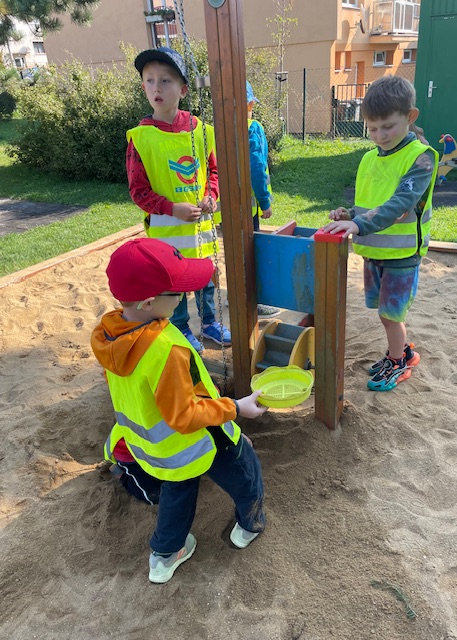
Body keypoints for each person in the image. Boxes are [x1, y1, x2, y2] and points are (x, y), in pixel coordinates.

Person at [91, 238, 267, 584]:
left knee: (178, 492)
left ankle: (165, 555)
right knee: (245, 470)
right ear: (149, 302)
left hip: (157, 449)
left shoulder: (110, 333)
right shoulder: (164, 349)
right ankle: (250, 524)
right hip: (198, 437)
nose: (184, 296)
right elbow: (184, 416)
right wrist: (236, 408)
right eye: (178, 293)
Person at [323, 75, 438, 392]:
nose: (380, 135)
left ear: (410, 116)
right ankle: (403, 352)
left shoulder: (421, 157)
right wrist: (349, 214)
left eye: (387, 126)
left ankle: (398, 361)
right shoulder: (370, 157)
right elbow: (371, 203)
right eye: (372, 128)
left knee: (391, 314)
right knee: (385, 312)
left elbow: (401, 203)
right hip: (375, 251)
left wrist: (358, 225)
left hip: (402, 254)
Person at [126, 46, 231, 354]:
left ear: (183, 89)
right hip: (167, 232)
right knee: (173, 282)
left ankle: (209, 322)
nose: (156, 88)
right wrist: (172, 209)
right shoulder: (141, 138)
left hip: (201, 228)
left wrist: (211, 196)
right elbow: (139, 191)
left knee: (207, 274)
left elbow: (214, 171)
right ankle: (181, 326)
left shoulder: (202, 131)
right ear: (143, 87)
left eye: (166, 80)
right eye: (149, 80)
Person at [246, 80, 281, 319]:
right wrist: (264, 201)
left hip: (226, 209)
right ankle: (254, 301)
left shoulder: (220, 130)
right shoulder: (252, 128)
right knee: (252, 252)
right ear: (250, 104)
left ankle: (235, 294)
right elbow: (256, 167)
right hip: (248, 207)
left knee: (237, 253)